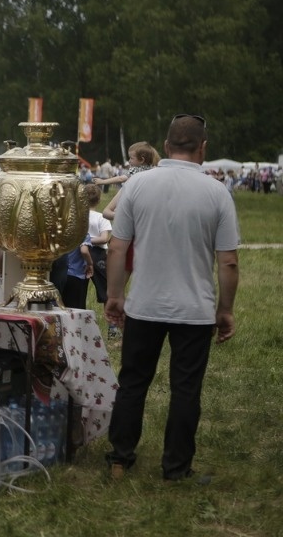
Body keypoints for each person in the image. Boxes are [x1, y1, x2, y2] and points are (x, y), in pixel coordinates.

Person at [104, 114, 239, 482]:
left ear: (165, 147)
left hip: (144, 303)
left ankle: (120, 458)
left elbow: (117, 248)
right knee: (185, 389)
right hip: (194, 309)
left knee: (132, 382)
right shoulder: (217, 192)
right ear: (203, 148)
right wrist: (224, 311)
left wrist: (115, 295)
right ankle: (176, 467)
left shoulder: (137, 186)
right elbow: (227, 262)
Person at [83, 183, 112, 306]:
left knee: (80, 289)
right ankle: (112, 324)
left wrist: (84, 240)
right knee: (106, 290)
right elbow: (105, 238)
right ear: (99, 200)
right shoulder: (101, 217)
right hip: (98, 254)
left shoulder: (79, 217)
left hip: (81, 254)